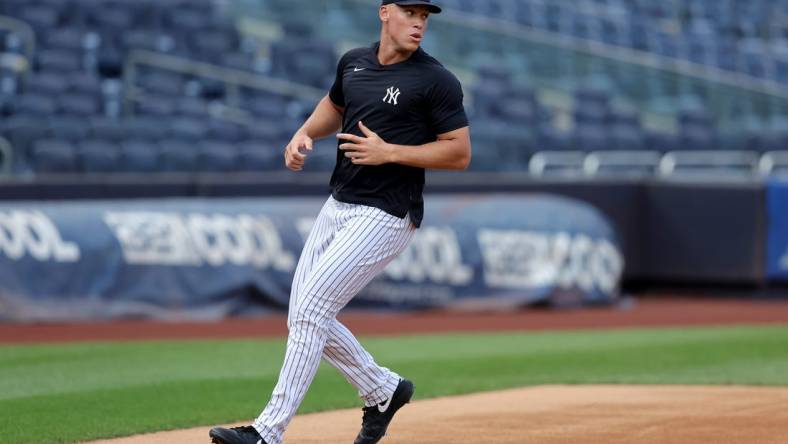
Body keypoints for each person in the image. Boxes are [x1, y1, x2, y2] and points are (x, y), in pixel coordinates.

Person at [209, 0, 470, 443]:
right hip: (340, 202)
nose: (419, 23)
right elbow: (335, 106)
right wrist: (305, 133)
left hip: (388, 212)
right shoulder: (354, 63)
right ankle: (383, 390)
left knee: (311, 308)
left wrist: (392, 152)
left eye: (425, 16)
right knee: (304, 314)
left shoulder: (435, 79)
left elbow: (459, 152)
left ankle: (266, 433)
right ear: (385, 12)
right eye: (411, 13)